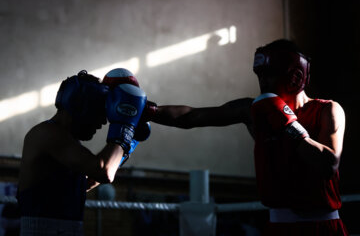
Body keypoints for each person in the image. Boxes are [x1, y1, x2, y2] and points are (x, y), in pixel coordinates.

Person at [143, 39, 348, 235]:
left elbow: (328, 164)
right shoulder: (253, 110)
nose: (263, 82)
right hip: (279, 227)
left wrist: (288, 125)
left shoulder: (327, 110)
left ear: (296, 76)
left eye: (270, 75)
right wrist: (147, 111)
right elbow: (192, 117)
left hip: (324, 226)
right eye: (260, 75)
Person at [17, 70, 148, 235]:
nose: (102, 123)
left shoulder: (68, 141)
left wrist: (129, 141)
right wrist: (125, 127)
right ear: (81, 107)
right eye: (99, 114)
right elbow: (103, 171)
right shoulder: (47, 134)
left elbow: (87, 181)